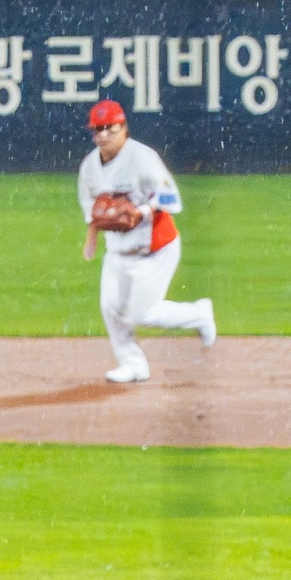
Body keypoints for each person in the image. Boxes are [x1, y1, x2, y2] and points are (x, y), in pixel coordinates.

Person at [77, 99, 216, 384]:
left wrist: (141, 211)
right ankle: (133, 364)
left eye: (110, 127)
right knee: (110, 308)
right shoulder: (90, 166)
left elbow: (171, 197)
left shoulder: (142, 157)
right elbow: (91, 206)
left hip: (155, 248)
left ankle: (199, 314)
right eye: (98, 129)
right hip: (118, 250)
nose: (104, 134)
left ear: (124, 128)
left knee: (142, 314)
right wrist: (92, 235)